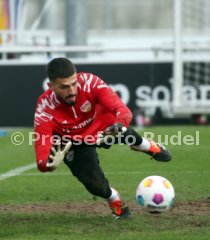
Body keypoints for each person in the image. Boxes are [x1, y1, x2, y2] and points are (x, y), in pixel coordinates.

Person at [34, 57, 172, 219]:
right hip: (75, 143)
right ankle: (113, 198)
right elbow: (41, 154)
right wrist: (48, 165)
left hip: (103, 128)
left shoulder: (90, 82)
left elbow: (122, 109)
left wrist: (120, 124)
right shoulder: (44, 108)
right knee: (95, 186)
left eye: (74, 83)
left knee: (121, 128)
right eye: (64, 87)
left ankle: (146, 146)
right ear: (51, 86)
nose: (72, 91)